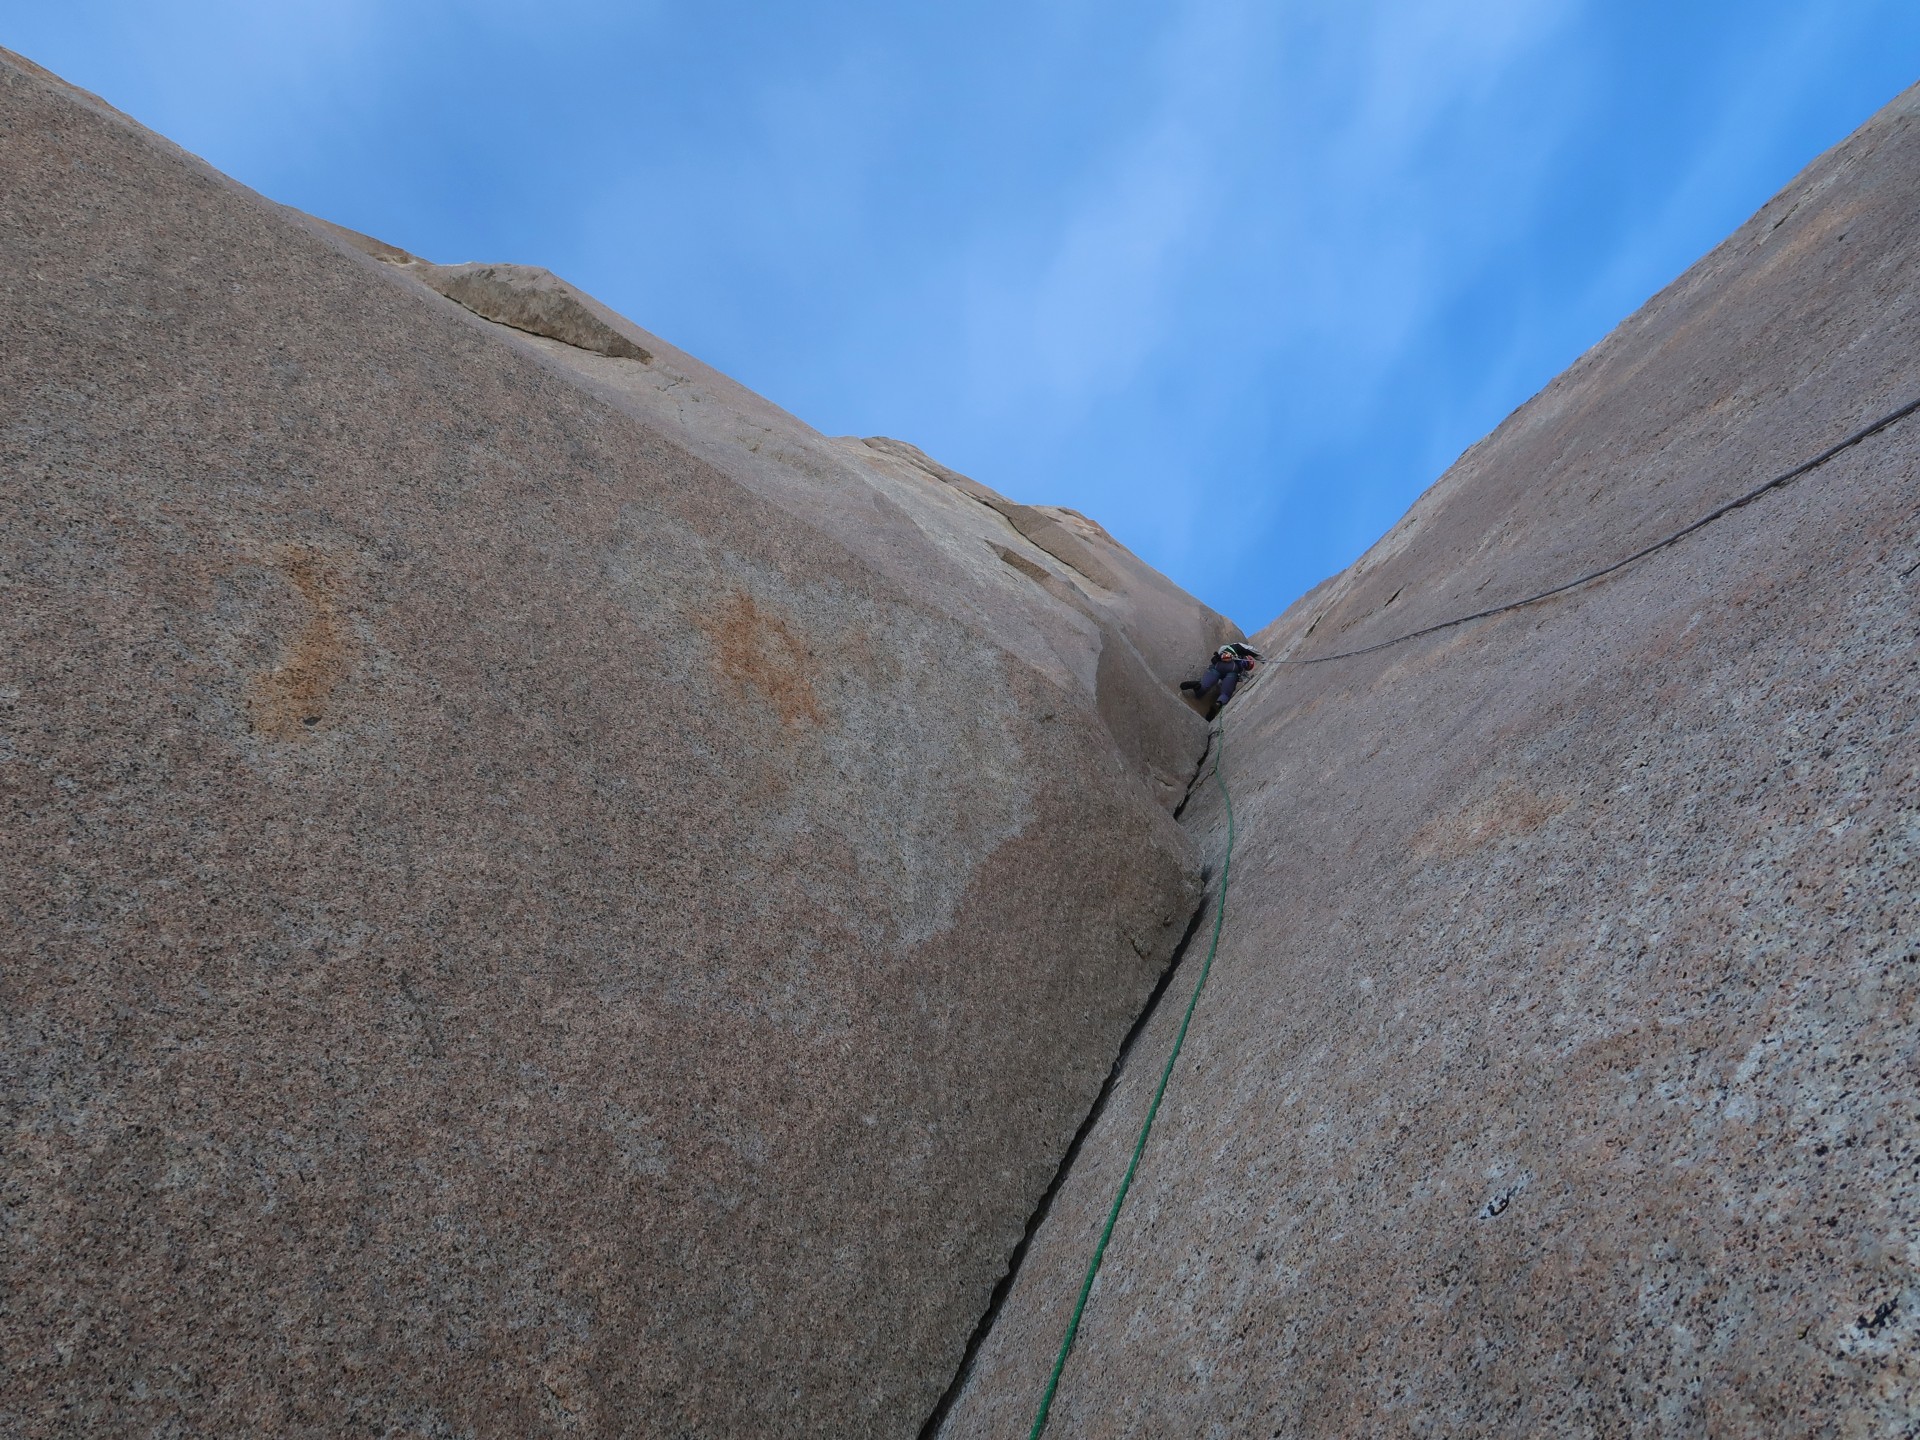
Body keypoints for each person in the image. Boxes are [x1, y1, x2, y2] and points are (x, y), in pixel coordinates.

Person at [1180, 644, 1259, 714]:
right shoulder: (1242, 668)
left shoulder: (1233, 652)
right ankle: (1218, 704)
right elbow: (1243, 678)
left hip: (1218, 665)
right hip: (1232, 672)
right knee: (1225, 694)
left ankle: (1197, 686)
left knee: (1203, 688)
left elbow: (1222, 650)